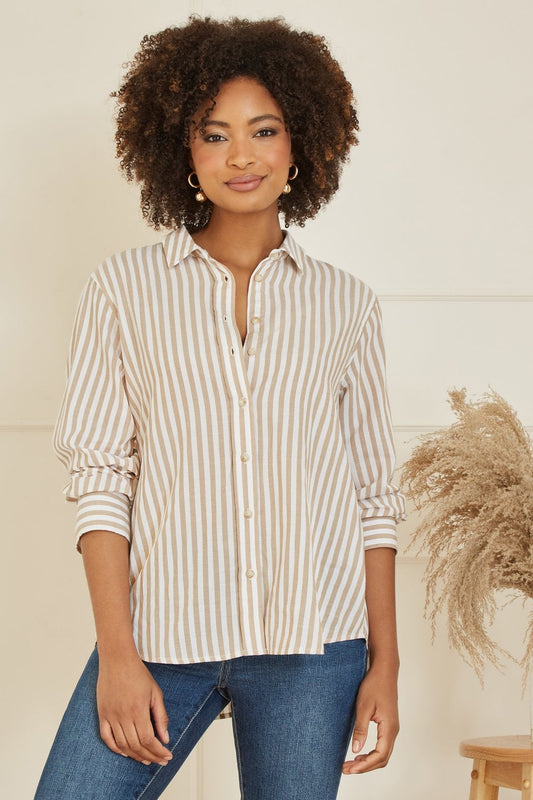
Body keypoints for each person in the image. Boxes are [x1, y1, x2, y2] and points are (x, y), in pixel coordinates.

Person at [35, 16, 406, 800]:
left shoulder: (346, 304)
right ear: (182, 153)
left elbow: (373, 498)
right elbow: (100, 480)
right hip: (162, 638)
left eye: (263, 130)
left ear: (300, 145)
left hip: (314, 646)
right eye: (214, 134)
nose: (241, 156)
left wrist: (385, 665)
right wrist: (117, 655)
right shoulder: (123, 289)